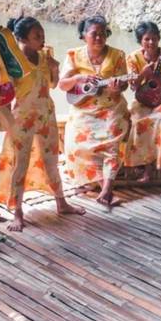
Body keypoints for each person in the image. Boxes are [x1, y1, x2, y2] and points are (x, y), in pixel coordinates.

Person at [0, 17, 85, 231]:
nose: (42, 40)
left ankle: (61, 202)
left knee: (51, 159)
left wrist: (54, 69)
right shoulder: (14, 62)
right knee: (20, 163)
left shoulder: (46, 57)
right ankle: (17, 212)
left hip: (46, 115)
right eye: (37, 36)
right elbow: (5, 93)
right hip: (21, 118)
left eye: (42, 35)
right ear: (22, 38)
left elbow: (52, 85)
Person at [59, 15, 130, 209]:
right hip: (83, 107)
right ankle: (99, 184)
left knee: (113, 140)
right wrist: (80, 78)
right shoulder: (73, 55)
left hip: (111, 107)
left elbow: (123, 85)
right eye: (94, 34)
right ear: (83, 35)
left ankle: (107, 188)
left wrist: (117, 88)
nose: (99, 38)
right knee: (75, 139)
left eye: (103, 34)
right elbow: (62, 85)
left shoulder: (118, 55)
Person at [125, 21, 161, 182]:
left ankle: (150, 168)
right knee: (137, 120)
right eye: (146, 39)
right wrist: (143, 73)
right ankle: (134, 164)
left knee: (158, 120)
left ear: (159, 39)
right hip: (142, 99)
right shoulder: (133, 57)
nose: (151, 43)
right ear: (140, 41)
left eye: (154, 39)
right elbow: (133, 87)